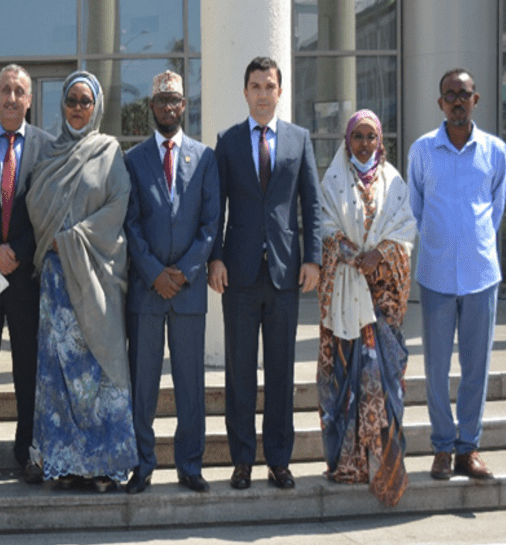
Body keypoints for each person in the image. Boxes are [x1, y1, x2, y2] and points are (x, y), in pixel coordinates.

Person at [208, 57, 320, 491]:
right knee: (239, 373)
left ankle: (278, 460)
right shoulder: (228, 141)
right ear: (245, 91)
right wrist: (215, 258)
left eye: (269, 86)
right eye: (254, 85)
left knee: (280, 371)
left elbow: (310, 204)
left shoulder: (299, 140)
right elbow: (216, 208)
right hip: (237, 275)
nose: (261, 93)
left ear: (279, 91)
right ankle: (241, 461)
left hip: (285, 273)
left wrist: (312, 258)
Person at [26, 70, 137, 493]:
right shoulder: (50, 154)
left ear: (97, 108)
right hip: (56, 284)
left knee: (99, 369)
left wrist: (71, 239)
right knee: (58, 372)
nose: (77, 108)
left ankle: (105, 464)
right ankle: (64, 463)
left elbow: (118, 205)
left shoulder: (109, 152)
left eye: (84, 101)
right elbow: (36, 203)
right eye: (71, 100)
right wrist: (54, 241)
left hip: (97, 279)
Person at [408, 68, 506, 481]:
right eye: (450, 94)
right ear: (440, 103)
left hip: (481, 274)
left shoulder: (494, 150)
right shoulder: (422, 151)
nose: (457, 100)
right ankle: (442, 448)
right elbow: (416, 207)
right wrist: (441, 241)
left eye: (464, 93)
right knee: (435, 368)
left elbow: (495, 208)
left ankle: (469, 448)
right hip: (435, 276)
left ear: (476, 99)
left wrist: (473, 241)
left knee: (475, 368)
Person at [123, 70, 220, 494]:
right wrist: (153, 273)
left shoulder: (204, 157)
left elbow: (211, 222)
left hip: (188, 290)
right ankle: (142, 464)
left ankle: (189, 464)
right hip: (147, 291)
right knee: (143, 384)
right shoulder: (133, 159)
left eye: (175, 100)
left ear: (184, 106)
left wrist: (183, 272)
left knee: (190, 385)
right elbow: (129, 224)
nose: (168, 107)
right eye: (161, 101)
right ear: (152, 108)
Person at [316, 110, 417, 507]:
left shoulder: (394, 182)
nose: (363, 144)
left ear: (380, 142)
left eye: (370, 137)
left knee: (384, 382)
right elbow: (322, 225)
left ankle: (383, 464)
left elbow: (406, 230)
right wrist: (347, 250)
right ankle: (348, 463)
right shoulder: (333, 179)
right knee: (344, 383)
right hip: (345, 300)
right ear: (347, 140)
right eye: (357, 136)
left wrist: (381, 254)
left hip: (382, 302)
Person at [0, 64, 53, 486]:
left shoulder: (48, 148)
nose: (12, 98)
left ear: (30, 100)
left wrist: (18, 250)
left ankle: (26, 451)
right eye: (5, 90)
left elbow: (49, 214)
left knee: (27, 367)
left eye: (20, 91)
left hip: (25, 275)